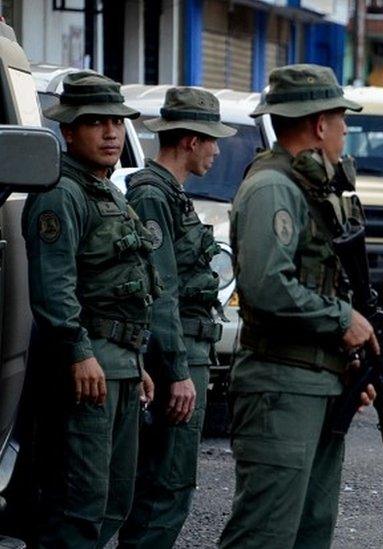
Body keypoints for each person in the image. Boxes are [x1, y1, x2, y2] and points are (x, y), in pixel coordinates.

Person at [218, 64, 377, 548]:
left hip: (314, 384)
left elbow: (322, 280)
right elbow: (268, 286)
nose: (346, 130)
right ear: (318, 124)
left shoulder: (310, 189)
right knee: (264, 534)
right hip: (279, 389)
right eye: (340, 119)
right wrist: (341, 321)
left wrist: (348, 361)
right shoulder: (273, 188)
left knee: (311, 530)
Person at [23, 71, 156, 546]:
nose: (111, 133)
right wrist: (80, 353)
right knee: (77, 508)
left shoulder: (109, 191)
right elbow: (54, 289)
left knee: (112, 503)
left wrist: (136, 362)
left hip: (116, 365)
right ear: (69, 130)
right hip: (83, 367)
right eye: (96, 123)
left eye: (117, 122)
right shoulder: (62, 192)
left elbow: (122, 282)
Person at [117, 87, 236, 547]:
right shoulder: (153, 196)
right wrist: (179, 371)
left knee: (168, 484)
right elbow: (161, 291)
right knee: (165, 487)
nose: (217, 150)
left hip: (188, 347)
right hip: (177, 352)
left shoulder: (170, 193)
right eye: (213, 140)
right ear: (191, 141)